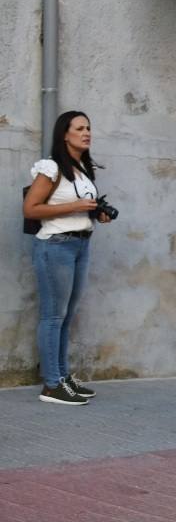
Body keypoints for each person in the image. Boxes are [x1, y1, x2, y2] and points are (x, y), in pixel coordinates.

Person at [23, 111, 112, 405]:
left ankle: (62, 376)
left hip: (80, 245)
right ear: (65, 134)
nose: (86, 133)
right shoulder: (51, 167)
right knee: (53, 316)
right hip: (55, 247)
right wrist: (74, 206)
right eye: (79, 128)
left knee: (67, 316)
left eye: (89, 127)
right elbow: (31, 209)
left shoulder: (82, 169)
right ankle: (51, 385)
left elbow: (77, 208)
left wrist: (95, 212)